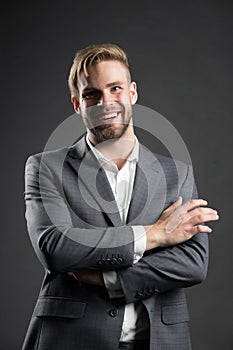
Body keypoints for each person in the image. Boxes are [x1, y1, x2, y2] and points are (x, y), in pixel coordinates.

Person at [22, 43, 219, 350]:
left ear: (132, 93)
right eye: (92, 94)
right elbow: (55, 248)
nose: (106, 102)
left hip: (160, 341)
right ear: (77, 104)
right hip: (73, 339)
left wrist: (109, 280)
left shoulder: (176, 174)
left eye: (115, 88)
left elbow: (192, 263)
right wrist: (153, 236)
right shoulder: (46, 167)